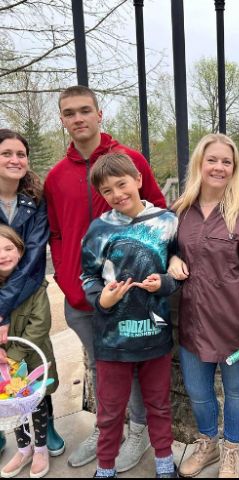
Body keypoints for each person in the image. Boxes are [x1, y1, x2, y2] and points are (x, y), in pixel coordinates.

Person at [44, 86, 166, 471]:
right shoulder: (56, 177)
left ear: (99, 114)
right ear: (62, 120)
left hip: (134, 297)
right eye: (69, 113)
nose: (77, 118)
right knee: (101, 367)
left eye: (84, 110)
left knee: (130, 365)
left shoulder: (129, 160)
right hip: (84, 296)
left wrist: (156, 273)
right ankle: (106, 429)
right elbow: (57, 233)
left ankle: (138, 432)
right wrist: (68, 279)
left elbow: (159, 211)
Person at [167, 133, 239, 479]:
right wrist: (170, 257)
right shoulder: (180, 211)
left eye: (226, 161)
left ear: (234, 168)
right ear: (199, 163)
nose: (218, 167)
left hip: (235, 326)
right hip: (193, 324)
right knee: (199, 395)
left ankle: (231, 449)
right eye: (211, 159)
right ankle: (208, 445)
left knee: (236, 392)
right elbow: (161, 249)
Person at [81, 152, 179, 479]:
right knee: (109, 413)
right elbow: (89, 276)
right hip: (111, 340)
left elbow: (178, 270)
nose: (116, 194)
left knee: (159, 406)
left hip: (155, 336)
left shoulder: (167, 221)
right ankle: (105, 468)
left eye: (122, 184)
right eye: (107, 190)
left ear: (138, 180)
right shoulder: (98, 229)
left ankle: (165, 464)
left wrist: (164, 282)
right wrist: (101, 299)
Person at [0, 129, 65, 458]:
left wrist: (3, 308)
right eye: (6, 153)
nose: (15, 160)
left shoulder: (35, 199)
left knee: (36, 357)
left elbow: (34, 255)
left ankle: (47, 422)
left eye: (20, 154)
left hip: (29, 290)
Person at [0, 225, 59, 478]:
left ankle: (42, 447)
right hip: (4, 365)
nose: (2, 255)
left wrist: (13, 354)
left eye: (8, 248)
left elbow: (40, 325)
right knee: (13, 407)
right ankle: (24, 449)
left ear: (21, 251)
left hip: (33, 360)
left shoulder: (35, 286)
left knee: (37, 402)